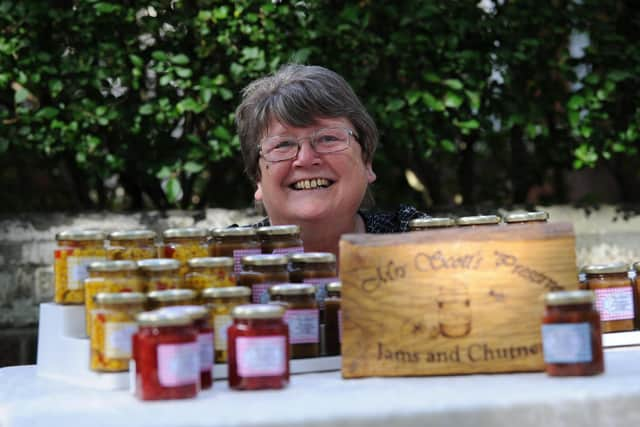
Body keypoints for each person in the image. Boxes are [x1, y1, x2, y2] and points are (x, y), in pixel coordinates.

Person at [235, 64, 426, 257]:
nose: (306, 159)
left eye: (328, 138)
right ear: (257, 176)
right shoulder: (222, 260)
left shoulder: (422, 241)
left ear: (366, 160)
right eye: (283, 145)